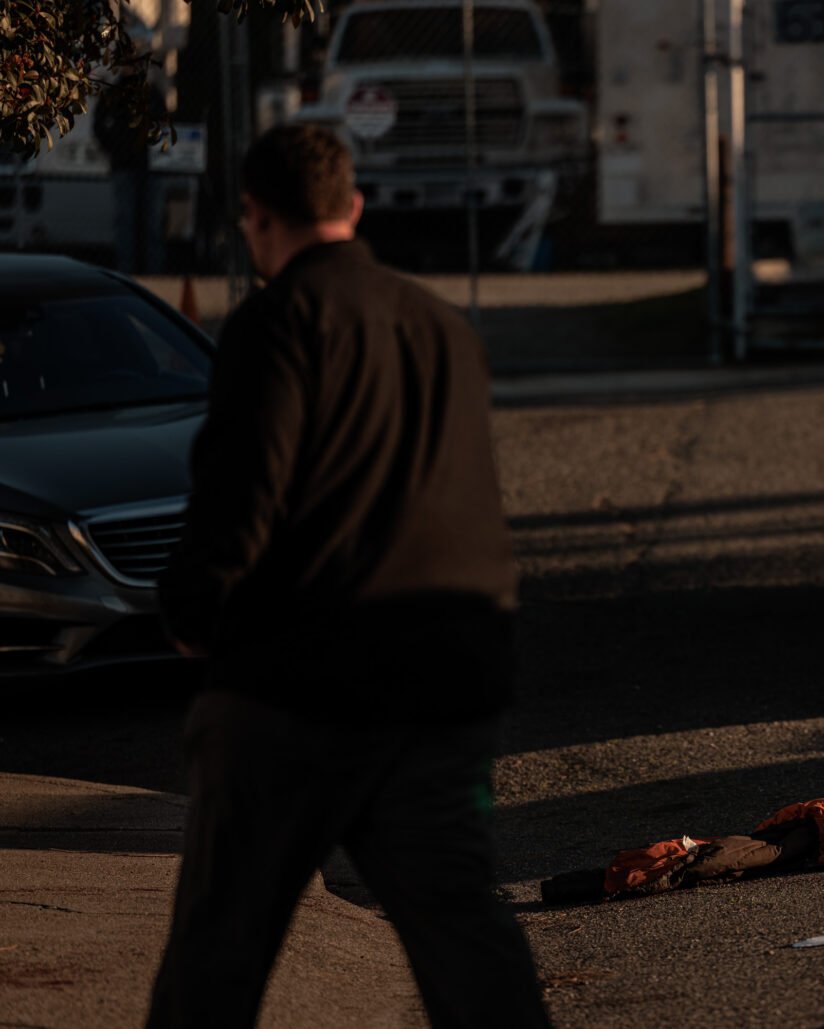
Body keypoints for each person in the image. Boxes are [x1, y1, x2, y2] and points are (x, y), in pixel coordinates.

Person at [148, 124, 548, 1028]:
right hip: (444, 679)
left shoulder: (278, 322)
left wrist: (194, 610)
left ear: (255, 219)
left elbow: (243, 490)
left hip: (300, 689)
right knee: (461, 928)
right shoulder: (443, 327)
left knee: (222, 939)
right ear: (354, 206)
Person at [93, 75, 167, 274]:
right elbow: (99, 126)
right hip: (126, 166)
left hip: (147, 166)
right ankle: (128, 269)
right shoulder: (114, 93)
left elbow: (163, 123)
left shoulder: (150, 93)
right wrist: (115, 149)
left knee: (150, 222)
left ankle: (152, 270)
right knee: (127, 221)